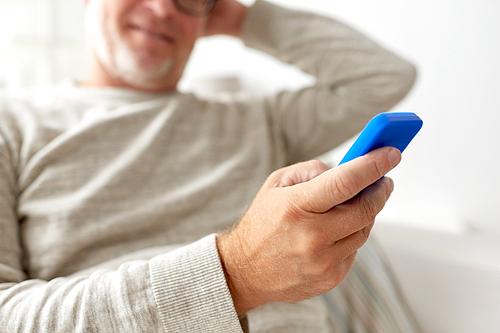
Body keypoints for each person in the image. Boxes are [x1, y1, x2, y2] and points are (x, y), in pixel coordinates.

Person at [0, 0, 416, 331]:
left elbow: (386, 77)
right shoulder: (12, 125)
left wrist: (242, 19)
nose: (164, 8)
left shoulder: (259, 121)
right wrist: (236, 273)